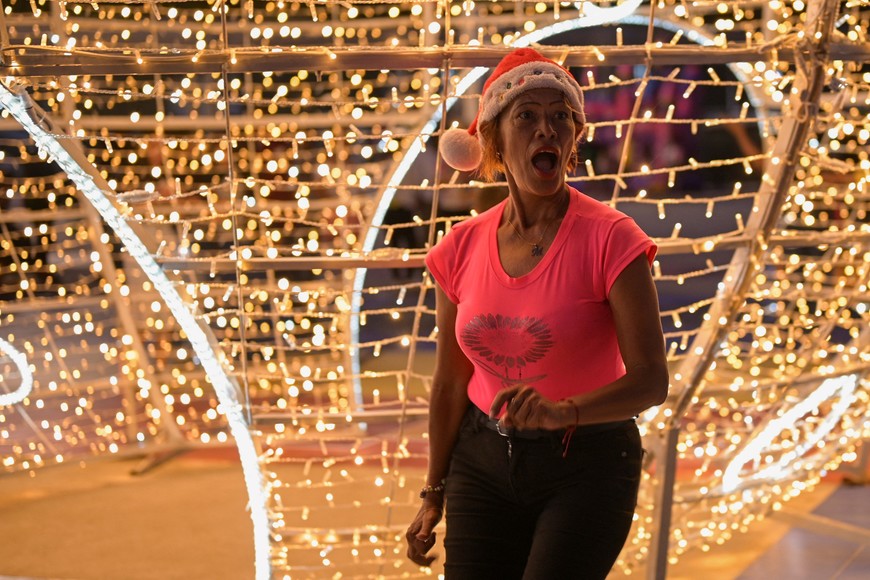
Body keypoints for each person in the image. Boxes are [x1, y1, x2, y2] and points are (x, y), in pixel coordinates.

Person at [404, 48, 669, 579]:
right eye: (527, 116)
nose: (546, 129)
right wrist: (433, 490)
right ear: (495, 141)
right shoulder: (460, 246)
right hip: (480, 462)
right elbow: (450, 385)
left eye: (560, 117)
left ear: (573, 141)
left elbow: (651, 381)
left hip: (588, 462)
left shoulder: (611, 238)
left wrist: (562, 411)